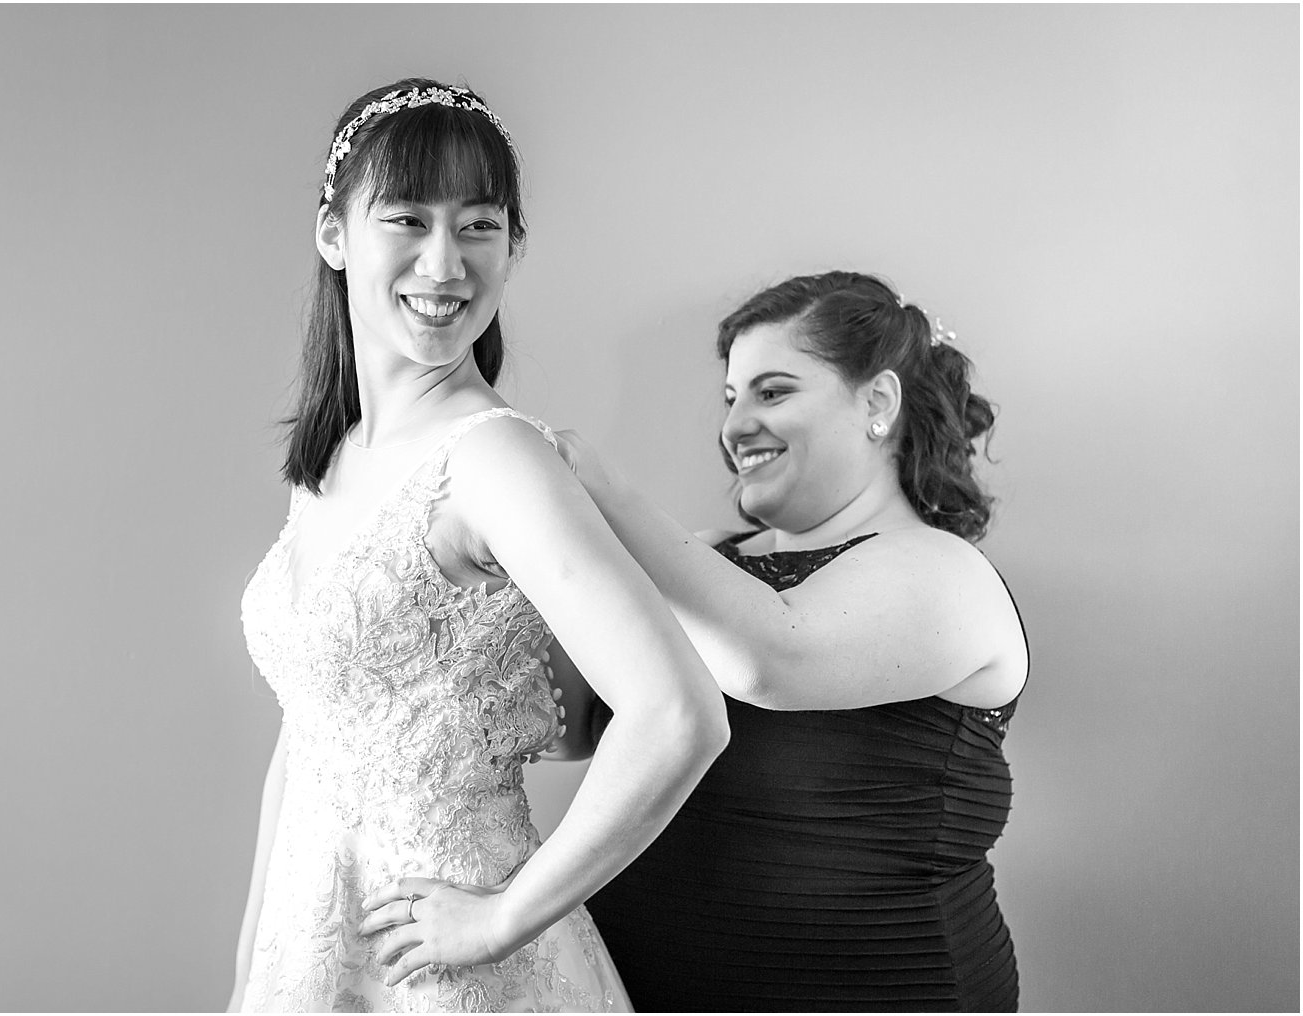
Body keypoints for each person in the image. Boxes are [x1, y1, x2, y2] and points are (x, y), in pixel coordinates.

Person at [226, 78, 729, 1013]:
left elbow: (679, 716)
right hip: (312, 954)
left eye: (478, 227)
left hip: (450, 972)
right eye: (407, 220)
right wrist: (254, 960)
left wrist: (499, 922)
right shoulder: (333, 460)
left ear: (514, 246)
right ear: (334, 235)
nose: (443, 264)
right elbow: (311, 733)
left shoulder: (494, 459)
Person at [557, 271, 1029, 1011]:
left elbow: (769, 658)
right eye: (730, 398)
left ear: (876, 403)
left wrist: (598, 490)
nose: (735, 426)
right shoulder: (708, 556)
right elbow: (568, 725)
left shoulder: (945, 573)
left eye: (772, 393)